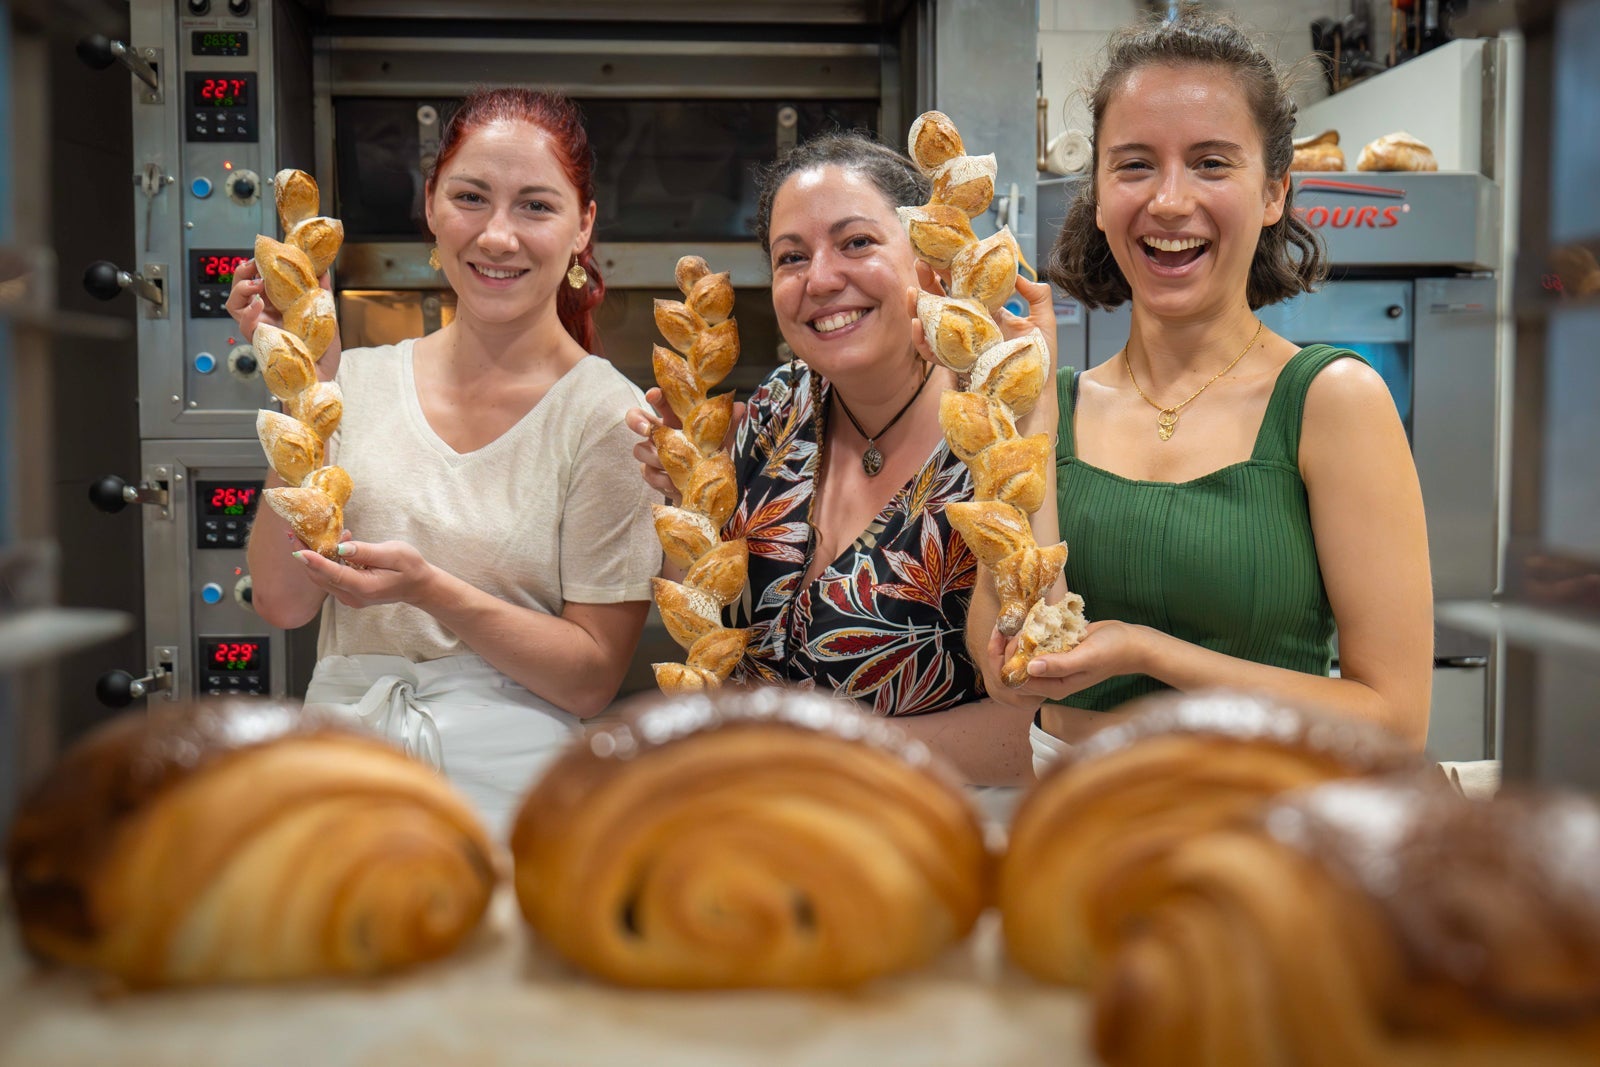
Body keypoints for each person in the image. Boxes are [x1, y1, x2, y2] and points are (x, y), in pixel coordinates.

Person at [983, 9, 1434, 771]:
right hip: (1072, 829)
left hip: (1268, 835)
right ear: (1096, 193)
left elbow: (1393, 723)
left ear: (1273, 194)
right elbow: (1012, 668)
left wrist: (1154, 654)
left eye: (1211, 163)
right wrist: (1027, 407)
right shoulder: (1052, 404)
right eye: (1133, 165)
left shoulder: (1332, 401)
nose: (1168, 200)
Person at [228, 88, 661, 835]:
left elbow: (591, 677)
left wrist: (433, 590)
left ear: (582, 226)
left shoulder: (608, 416)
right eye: (471, 197)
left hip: (513, 792)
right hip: (343, 776)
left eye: (535, 206)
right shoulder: (353, 382)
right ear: (430, 204)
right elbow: (282, 602)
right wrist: (308, 391)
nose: (497, 237)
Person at [628, 133, 1058, 786]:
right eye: (791, 257)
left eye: (856, 243)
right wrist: (687, 486)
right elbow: (710, 643)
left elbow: (1036, 724)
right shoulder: (774, 411)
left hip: (937, 830)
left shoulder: (1000, 434)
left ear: (927, 258)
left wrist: (815, 753)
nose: (821, 279)